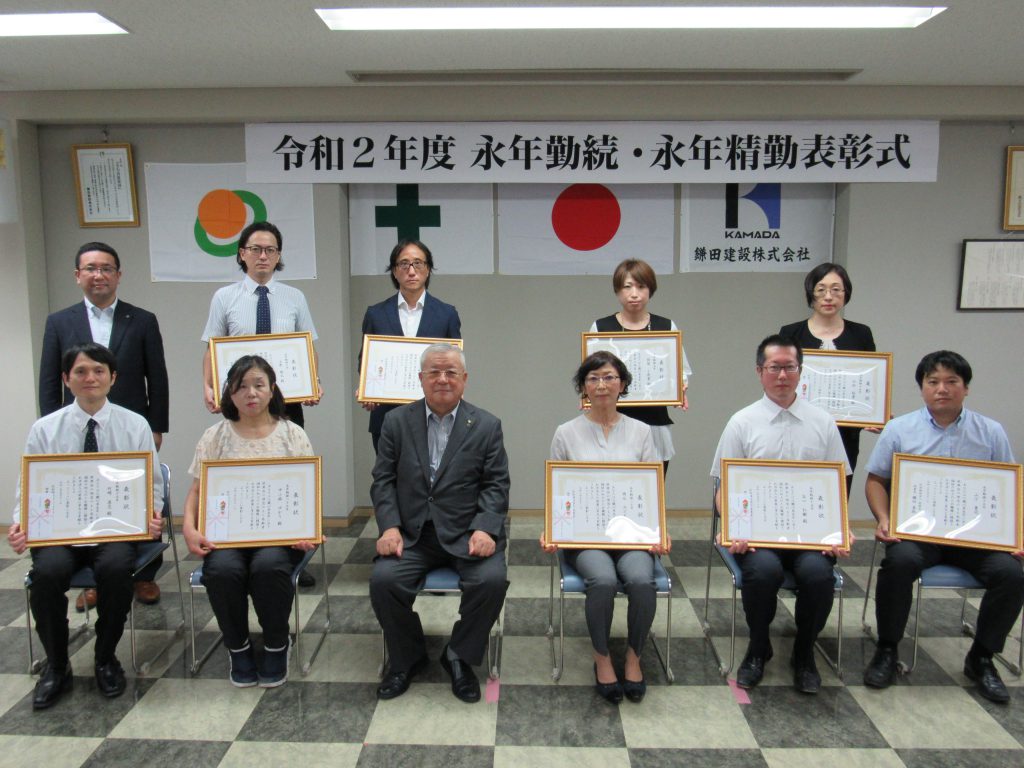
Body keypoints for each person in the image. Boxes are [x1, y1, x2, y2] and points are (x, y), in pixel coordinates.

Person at [862, 350, 1024, 703]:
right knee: (899, 563)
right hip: (918, 533)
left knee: (1012, 574)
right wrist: (885, 519)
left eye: (952, 381)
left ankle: (981, 657)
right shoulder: (900, 429)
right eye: (933, 382)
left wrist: (1015, 535)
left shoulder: (990, 432)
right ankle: (887, 648)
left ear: (966, 388)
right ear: (921, 388)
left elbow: (1010, 487)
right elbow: (875, 480)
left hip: (975, 538)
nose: (942, 389)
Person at [9, 343, 162, 710]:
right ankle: (56, 665)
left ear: (113, 377)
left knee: (114, 570)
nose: (90, 378)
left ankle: (105, 657)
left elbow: (152, 482)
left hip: (114, 529)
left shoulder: (134, 424)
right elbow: (28, 485)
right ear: (66, 379)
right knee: (47, 574)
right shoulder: (45, 429)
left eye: (98, 371)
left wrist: (151, 515)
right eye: (80, 372)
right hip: (61, 532)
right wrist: (20, 524)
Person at [710, 334, 850, 694]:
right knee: (763, 573)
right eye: (775, 367)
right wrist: (732, 528)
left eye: (790, 367)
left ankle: (804, 653)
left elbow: (837, 487)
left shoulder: (823, 422)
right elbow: (723, 489)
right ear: (760, 372)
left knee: (818, 576)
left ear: (800, 371)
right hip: (758, 535)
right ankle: (759, 647)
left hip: (809, 535)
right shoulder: (741, 422)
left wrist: (838, 531)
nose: (783, 375)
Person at [370, 343, 509, 703]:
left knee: (491, 581)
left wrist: (485, 528)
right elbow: (382, 479)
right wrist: (389, 527)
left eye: (451, 373)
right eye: (434, 372)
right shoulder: (396, 422)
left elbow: (496, 484)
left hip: (467, 533)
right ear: (421, 379)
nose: (442, 379)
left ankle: (459, 656)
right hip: (413, 535)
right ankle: (408, 656)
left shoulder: (487, 425)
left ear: (464, 379)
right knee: (384, 581)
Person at [39, 241, 169, 608]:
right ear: (78, 276)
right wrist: (50, 424)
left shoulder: (141, 319)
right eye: (91, 269)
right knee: (86, 499)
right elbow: (50, 379)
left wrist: (156, 424)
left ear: (118, 275)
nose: (99, 275)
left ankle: (143, 576)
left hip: (128, 428)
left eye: (106, 268)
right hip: (77, 431)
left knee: (138, 497)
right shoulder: (59, 321)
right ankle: (98, 581)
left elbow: (156, 376)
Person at [543, 351, 671, 704]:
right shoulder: (566, 433)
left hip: (632, 535)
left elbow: (653, 489)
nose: (602, 384)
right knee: (602, 580)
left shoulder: (643, 432)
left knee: (642, 580)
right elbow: (558, 490)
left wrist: (660, 531)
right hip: (587, 537)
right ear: (583, 387)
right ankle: (602, 658)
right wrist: (551, 528)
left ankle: (633, 655)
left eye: (609, 377)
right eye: (593, 378)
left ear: (623, 384)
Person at [182, 355, 317, 688]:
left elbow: (306, 494)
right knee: (223, 570)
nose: (251, 393)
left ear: (273, 390)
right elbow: (197, 492)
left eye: (259, 385)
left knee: (269, 566)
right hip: (226, 537)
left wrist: (307, 532)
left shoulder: (292, 435)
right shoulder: (215, 436)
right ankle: (238, 647)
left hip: (279, 539)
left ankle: (276, 643)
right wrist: (188, 527)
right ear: (229, 392)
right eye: (241, 386)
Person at [201, 220, 321, 587]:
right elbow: (211, 345)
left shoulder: (294, 297)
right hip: (241, 402)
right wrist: (207, 385)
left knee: (287, 473)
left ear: (279, 256)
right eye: (255, 249)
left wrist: (315, 380)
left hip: (286, 402)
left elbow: (307, 346)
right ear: (242, 254)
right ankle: (243, 543)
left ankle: (288, 552)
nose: (263, 256)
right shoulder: (224, 296)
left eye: (270, 250)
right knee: (242, 470)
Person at [359, 239, 462, 453]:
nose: (411, 271)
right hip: (386, 416)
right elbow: (365, 360)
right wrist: (367, 389)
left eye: (418, 263)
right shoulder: (376, 314)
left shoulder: (446, 314)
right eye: (404, 264)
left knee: (435, 480)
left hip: (435, 415)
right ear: (394, 272)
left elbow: (456, 365)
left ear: (428, 269)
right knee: (389, 481)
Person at [591, 259, 691, 475]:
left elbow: (680, 370)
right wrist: (587, 393)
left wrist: (680, 389)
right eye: (627, 287)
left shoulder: (666, 326)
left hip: (654, 421)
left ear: (650, 290)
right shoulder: (601, 327)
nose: (634, 294)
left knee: (651, 494)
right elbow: (590, 373)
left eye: (641, 286)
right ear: (617, 291)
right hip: (610, 422)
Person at [779, 262, 876, 477]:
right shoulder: (791, 333)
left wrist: (875, 413)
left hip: (846, 433)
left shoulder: (861, 334)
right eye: (821, 290)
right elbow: (781, 377)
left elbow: (870, 381)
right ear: (811, 294)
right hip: (798, 426)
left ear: (846, 293)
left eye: (836, 289)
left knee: (839, 493)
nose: (828, 296)